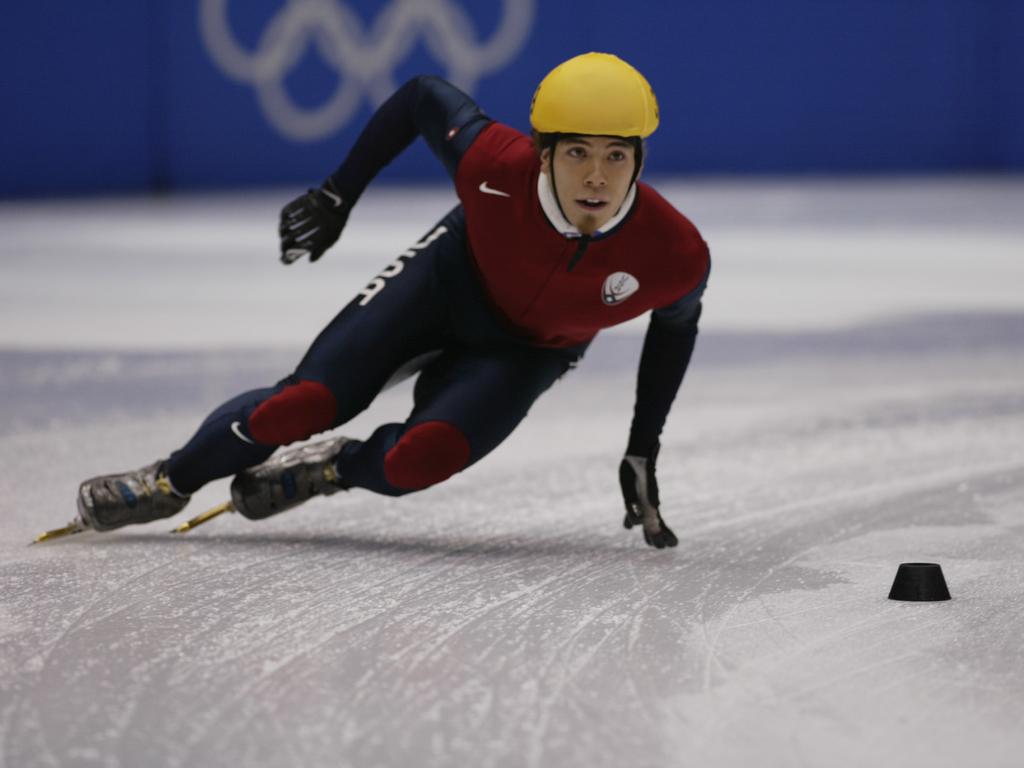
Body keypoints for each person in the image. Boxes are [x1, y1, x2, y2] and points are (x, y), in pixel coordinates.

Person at [74, 52, 710, 549]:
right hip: (442, 282)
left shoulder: (673, 253)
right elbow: (419, 97)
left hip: (523, 352)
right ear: (543, 156)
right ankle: (168, 481)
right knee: (300, 403)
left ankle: (333, 469)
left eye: (616, 156)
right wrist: (336, 195)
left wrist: (642, 446)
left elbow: (675, 329)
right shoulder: (493, 162)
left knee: (417, 462)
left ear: (639, 161)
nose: (596, 176)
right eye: (576, 153)